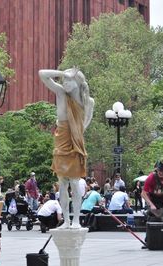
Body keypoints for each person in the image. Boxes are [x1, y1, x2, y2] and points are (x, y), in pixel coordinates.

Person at [39, 67, 95, 229]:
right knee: (62, 182)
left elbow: (86, 122)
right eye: (65, 81)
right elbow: (42, 74)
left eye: (70, 80)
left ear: (78, 82)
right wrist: (63, 74)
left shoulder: (88, 102)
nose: (66, 83)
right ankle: (66, 221)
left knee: (75, 182)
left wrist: (77, 132)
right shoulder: (61, 93)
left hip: (75, 140)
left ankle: (76, 219)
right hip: (62, 138)